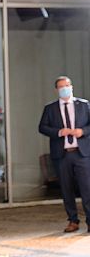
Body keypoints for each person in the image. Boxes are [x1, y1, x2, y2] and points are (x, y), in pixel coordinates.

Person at [39, 76, 90, 233]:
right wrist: (59, 132)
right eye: (61, 87)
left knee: (87, 188)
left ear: (71, 87)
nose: (64, 89)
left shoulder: (84, 105)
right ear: (57, 90)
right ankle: (73, 220)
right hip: (62, 155)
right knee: (66, 189)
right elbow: (42, 127)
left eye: (67, 86)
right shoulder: (50, 108)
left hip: (82, 153)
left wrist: (83, 131)